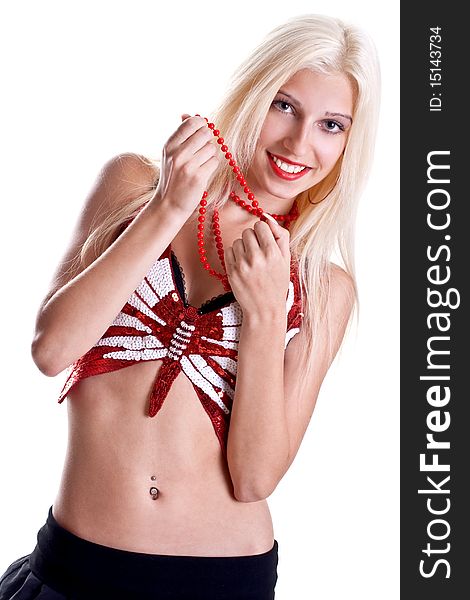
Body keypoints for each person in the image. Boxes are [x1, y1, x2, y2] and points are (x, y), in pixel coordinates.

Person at [0, 13, 380, 600]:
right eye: (284, 105)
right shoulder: (135, 185)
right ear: (253, 94)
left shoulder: (322, 285)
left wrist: (263, 318)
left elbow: (254, 478)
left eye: (331, 124)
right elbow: (51, 350)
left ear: (349, 142)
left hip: (221, 581)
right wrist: (168, 207)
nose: (299, 143)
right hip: (76, 567)